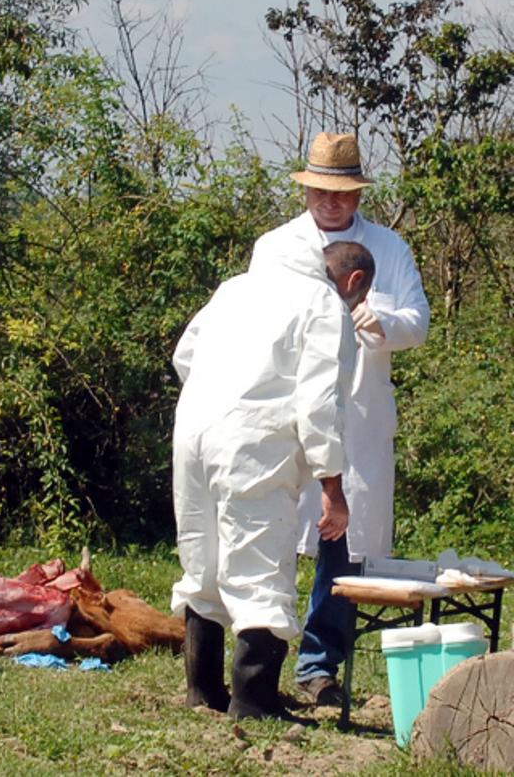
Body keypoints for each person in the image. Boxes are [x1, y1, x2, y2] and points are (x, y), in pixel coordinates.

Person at [251, 132, 430, 707]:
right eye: (321, 191)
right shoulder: (276, 246)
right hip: (283, 405)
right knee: (271, 532)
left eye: (342, 193)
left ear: (357, 194)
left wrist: (370, 319)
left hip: (355, 409)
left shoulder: (387, 247)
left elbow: (416, 321)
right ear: (308, 190)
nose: (331, 202)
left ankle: (319, 666)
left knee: (340, 543)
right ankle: (258, 660)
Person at [171, 239, 374, 720]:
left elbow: (185, 356)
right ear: (355, 283)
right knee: (259, 564)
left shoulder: (234, 288)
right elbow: (319, 403)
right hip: (255, 442)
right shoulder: (324, 304)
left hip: (194, 430)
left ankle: (203, 690)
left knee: (203, 557)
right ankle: (254, 701)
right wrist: (333, 488)